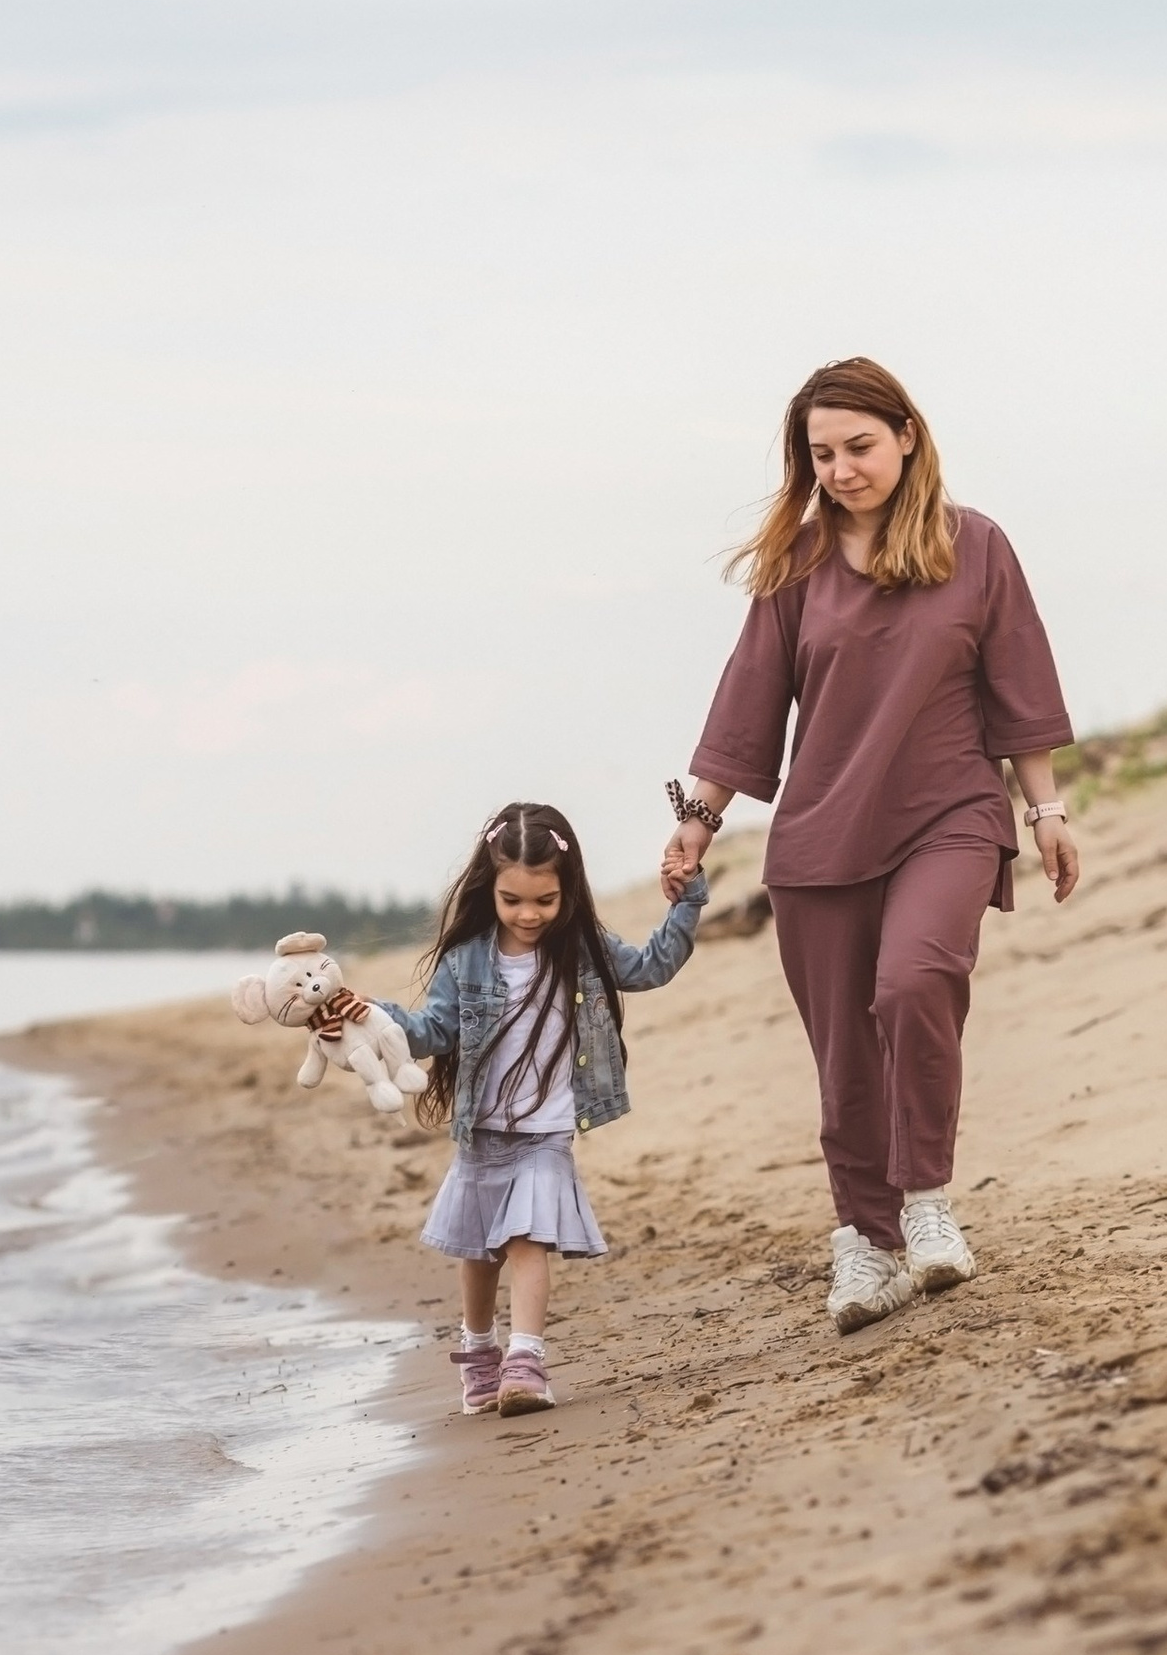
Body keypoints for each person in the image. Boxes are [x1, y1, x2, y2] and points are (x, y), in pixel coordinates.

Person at [662, 358, 1077, 1334]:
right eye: (820, 455)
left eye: (858, 447)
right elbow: (748, 703)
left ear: (905, 438)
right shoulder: (796, 569)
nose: (841, 469)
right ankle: (866, 1241)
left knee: (914, 982)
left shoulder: (974, 547)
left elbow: (1019, 687)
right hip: (818, 837)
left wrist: (1045, 812)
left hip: (950, 812)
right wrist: (699, 816)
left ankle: (925, 1203)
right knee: (844, 1056)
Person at [325, 802, 706, 1416]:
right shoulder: (468, 958)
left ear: (567, 891)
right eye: (513, 900)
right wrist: (375, 1016)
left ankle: (525, 1361)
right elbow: (433, 1032)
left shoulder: (582, 947)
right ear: (491, 889)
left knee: (529, 1243)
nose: (529, 914)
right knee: (479, 1253)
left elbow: (652, 966)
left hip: (546, 1133)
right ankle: (480, 1356)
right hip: (482, 1134)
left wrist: (687, 901)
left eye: (545, 901)